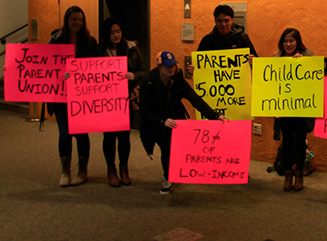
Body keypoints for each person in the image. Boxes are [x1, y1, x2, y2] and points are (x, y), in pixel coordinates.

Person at [140, 51, 228, 195]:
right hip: (156, 122)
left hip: (175, 119)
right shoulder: (148, 83)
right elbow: (144, 111)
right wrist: (162, 121)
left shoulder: (178, 81)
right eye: (168, 66)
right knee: (167, 147)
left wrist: (215, 116)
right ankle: (167, 177)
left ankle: (174, 172)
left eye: (173, 65)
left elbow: (195, 99)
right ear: (159, 67)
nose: (171, 68)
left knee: (177, 149)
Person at [48, 6, 98, 187]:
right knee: (64, 133)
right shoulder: (56, 40)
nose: (77, 23)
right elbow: (45, 65)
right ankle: (65, 172)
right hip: (61, 95)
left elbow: (97, 67)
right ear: (67, 21)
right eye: (74, 19)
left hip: (82, 96)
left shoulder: (90, 41)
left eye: (80, 20)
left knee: (82, 134)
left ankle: (82, 171)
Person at [98, 17, 146, 187]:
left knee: (124, 136)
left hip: (126, 98)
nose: (116, 35)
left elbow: (142, 70)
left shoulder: (132, 48)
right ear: (106, 34)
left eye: (118, 31)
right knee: (109, 137)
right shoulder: (100, 50)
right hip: (106, 100)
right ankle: (111, 170)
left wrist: (135, 76)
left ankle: (124, 169)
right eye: (112, 32)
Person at [273, 28, 315, 191]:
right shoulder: (276, 58)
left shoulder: (308, 57)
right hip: (284, 109)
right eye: (285, 41)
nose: (288, 44)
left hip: (302, 109)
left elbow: (314, 82)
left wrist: (304, 63)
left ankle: (299, 175)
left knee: (300, 142)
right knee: (287, 141)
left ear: (298, 42)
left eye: (291, 41)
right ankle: (287, 174)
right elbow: (268, 80)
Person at [186, 4, 258, 75]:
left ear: (232, 20)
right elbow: (198, 65)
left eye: (226, 21)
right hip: (214, 85)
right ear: (215, 21)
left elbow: (257, 65)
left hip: (239, 84)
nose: (223, 24)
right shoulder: (207, 40)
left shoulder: (242, 38)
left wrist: (254, 61)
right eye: (219, 21)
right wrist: (194, 69)